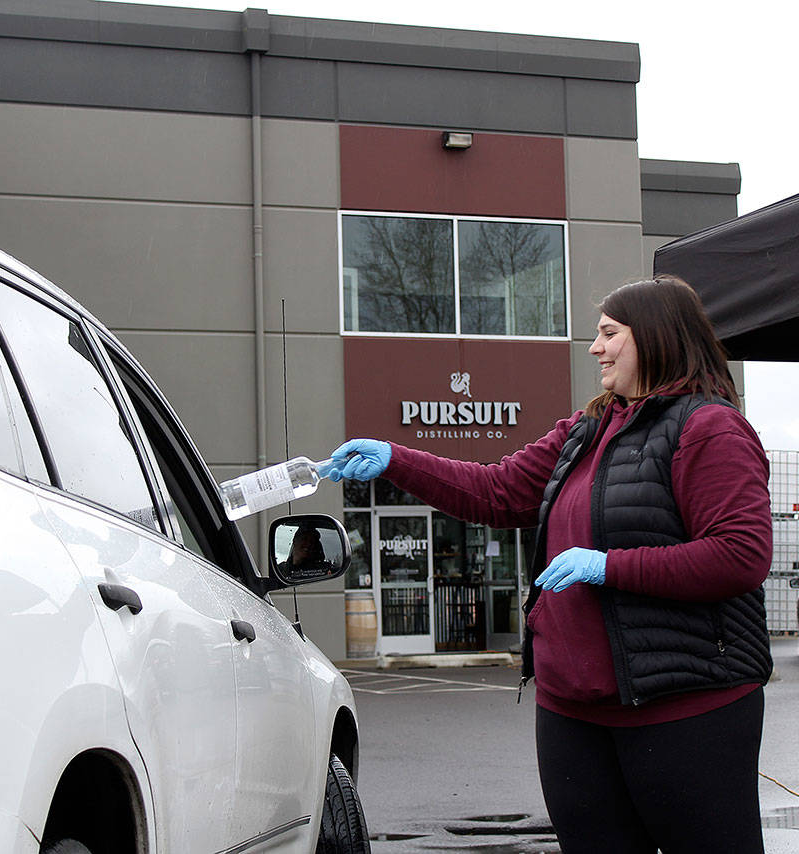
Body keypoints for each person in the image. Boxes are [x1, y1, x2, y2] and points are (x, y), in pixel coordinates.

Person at [323, 275, 773, 853]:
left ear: (656, 338)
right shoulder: (585, 432)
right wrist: (395, 459)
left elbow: (740, 555)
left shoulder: (709, 428)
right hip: (572, 712)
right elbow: (496, 491)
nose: (595, 348)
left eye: (610, 333)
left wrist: (609, 566)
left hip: (685, 710)